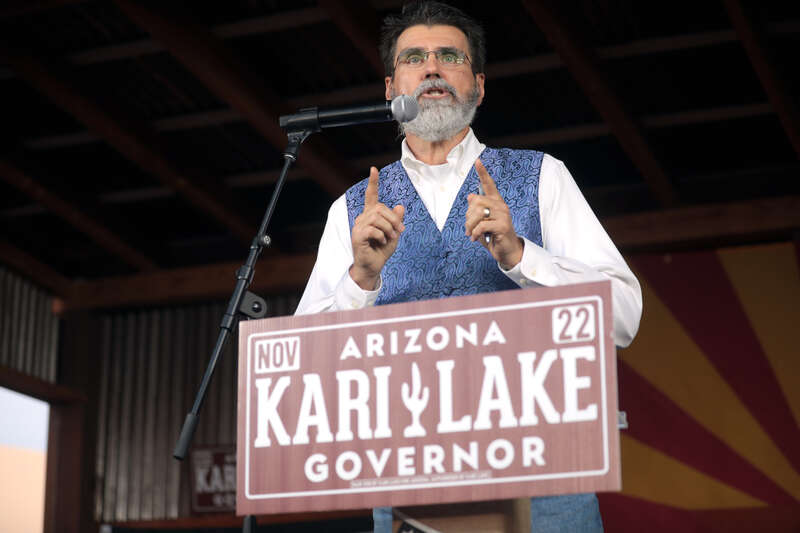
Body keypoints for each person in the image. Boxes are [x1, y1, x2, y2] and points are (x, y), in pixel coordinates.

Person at [295, 2, 642, 531]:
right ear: (391, 88)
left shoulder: (542, 176)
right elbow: (299, 372)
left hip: (544, 473)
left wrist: (522, 256)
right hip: (409, 481)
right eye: (414, 57)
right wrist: (359, 280)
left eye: (448, 55)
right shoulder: (350, 211)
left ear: (478, 85)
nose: (431, 67)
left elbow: (622, 316)